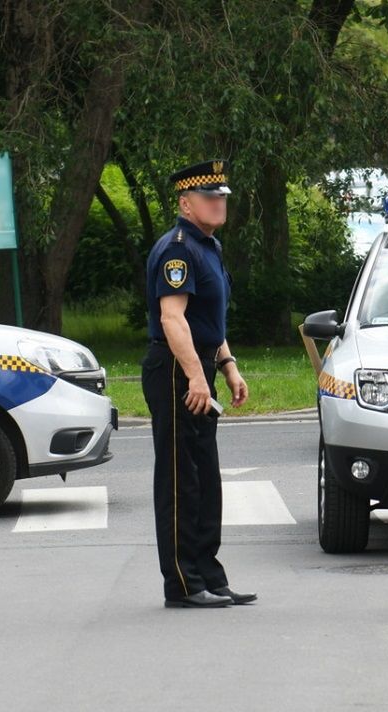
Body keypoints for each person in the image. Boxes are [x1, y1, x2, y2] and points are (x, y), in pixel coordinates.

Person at [141, 159, 253, 609]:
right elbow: (173, 317)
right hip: (174, 368)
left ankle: (210, 575)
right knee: (179, 479)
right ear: (186, 204)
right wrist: (193, 375)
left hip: (198, 365)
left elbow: (208, 318)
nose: (219, 203)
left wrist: (227, 365)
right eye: (210, 197)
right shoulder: (178, 249)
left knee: (205, 478)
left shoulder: (209, 246)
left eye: (222, 196)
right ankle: (183, 585)